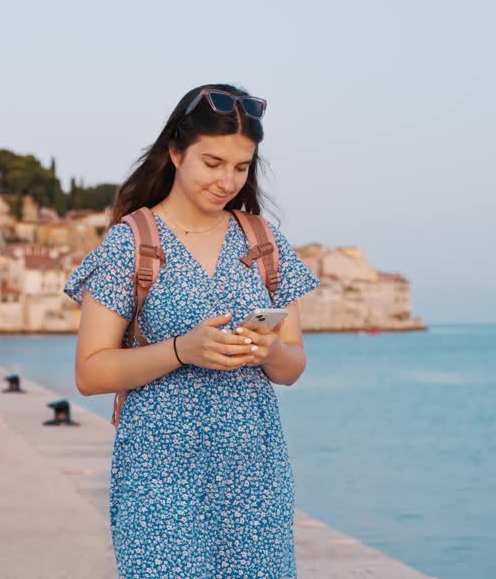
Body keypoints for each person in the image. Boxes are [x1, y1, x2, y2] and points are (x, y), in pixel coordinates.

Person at [64, 83, 321, 578]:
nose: (227, 180)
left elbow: (293, 367)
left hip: (255, 482)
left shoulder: (264, 242)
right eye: (212, 163)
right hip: (159, 483)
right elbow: (90, 373)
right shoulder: (131, 244)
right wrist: (183, 350)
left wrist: (267, 350)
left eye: (241, 167)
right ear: (176, 153)